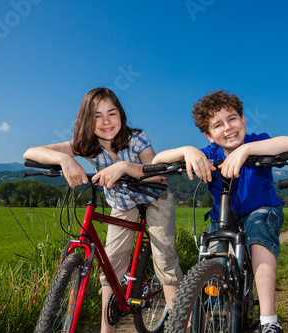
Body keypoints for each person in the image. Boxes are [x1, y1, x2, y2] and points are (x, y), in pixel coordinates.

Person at [23, 87, 183, 333]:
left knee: (164, 256)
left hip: (155, 197)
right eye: (97, 116)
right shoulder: (87, 144)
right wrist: (65, 159)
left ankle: (181, 321)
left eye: (112, 113)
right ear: (87, 120)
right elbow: (30, 152)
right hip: (121, 203)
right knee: (112, 262)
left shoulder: (137, 138)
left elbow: (157, 173)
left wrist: (124, 166)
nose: (106, 121)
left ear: (121, 114)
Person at [152, 90, 288, 333]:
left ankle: (269, 320)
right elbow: (157, 159)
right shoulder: (210, 154)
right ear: (209, 135)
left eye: (232, 119)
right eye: (218, 125)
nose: (228, 128)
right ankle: (207, 317)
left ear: (243, 121)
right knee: (213, 257)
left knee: (257, 228)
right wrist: (187, 151)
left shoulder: (258, 143)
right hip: (224, 220)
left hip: (262, 211)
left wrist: (246, 151)